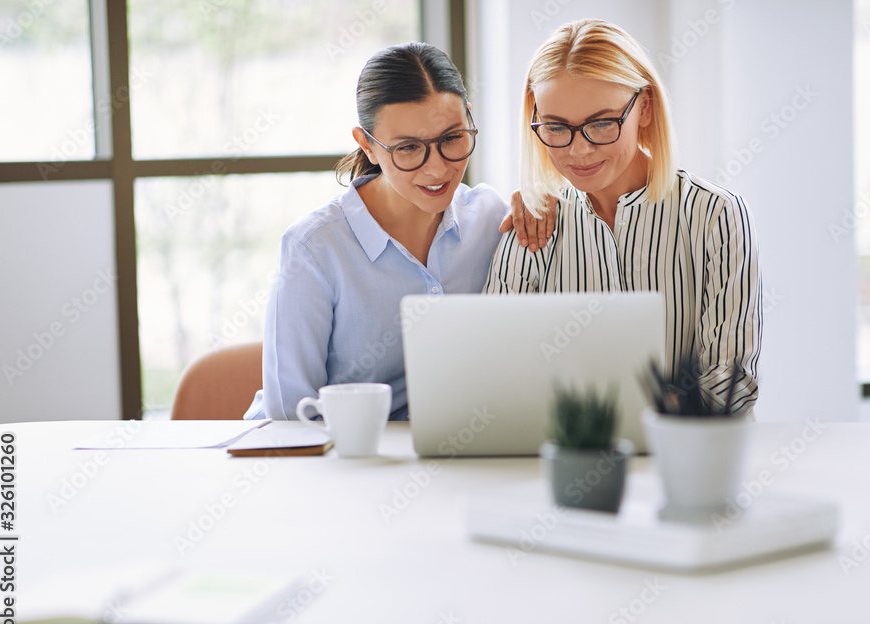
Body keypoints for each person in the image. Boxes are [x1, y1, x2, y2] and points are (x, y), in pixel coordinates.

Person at [485, 19, 762, 414]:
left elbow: (729, 384)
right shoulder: (533, 225)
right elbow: (495, 374)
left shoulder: (715, 215)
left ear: (644, 108)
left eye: (601, 123)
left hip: (688, 461)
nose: (578, 151)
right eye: (556, 127)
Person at [245, 42, 507, 420]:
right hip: (331, 460)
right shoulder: (315, 248)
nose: (437, 170)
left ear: (469, 118)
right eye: (408, 149)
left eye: (452, 138)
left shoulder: (491, 219)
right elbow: (290, 418)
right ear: (367, 144)